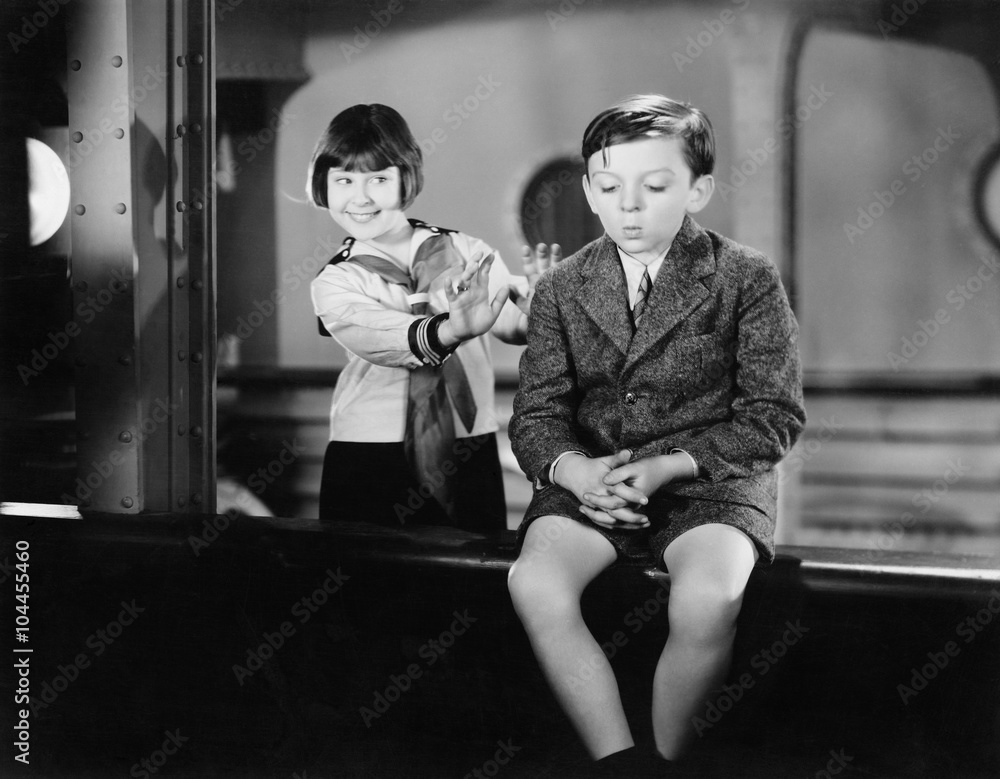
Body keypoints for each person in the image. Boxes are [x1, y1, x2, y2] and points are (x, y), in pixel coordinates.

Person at [506, 94, 806, 772]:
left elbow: (773, 416)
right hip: (591, 484)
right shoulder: (559, 287)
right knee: (535, 583)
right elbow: (535, 416)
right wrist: (573, 471)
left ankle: (669, 761)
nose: (629, 207)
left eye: (655, 186)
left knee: (708, 598)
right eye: (609, 188)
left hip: (711, 484)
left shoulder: (747, 276)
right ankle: (623, 764)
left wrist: (671, 465)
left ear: (699, 187)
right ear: (588, 188)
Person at [309, 103, 558, 531]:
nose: (361, 197)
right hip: (369, 450)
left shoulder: (467, 251)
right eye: (344, 180)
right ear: (324, 186)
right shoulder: (334, 281)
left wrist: (541, 313)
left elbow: (508, 324)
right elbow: (384, 340)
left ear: (407, 178)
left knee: (472, 579)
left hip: (466, 444)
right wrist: (450, 329)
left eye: (380, 179)